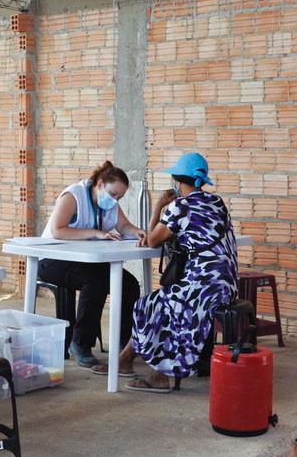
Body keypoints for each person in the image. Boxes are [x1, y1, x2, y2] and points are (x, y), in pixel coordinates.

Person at [97, 152, 238, 392]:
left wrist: (158, 207)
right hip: (227, 285)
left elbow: (151, 240)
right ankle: (125, 360)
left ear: (178, 182)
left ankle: (158, 375)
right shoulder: (217, 203)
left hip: (202, 287)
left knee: (149, 305)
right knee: (161, 300)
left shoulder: (180, 207)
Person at [39, 160, 144, 368]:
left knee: (129, 284)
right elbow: (58, 230)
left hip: (84, 261)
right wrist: (96, 233)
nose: (115, 200)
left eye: (120, 197)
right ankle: (80, 344)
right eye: (114, 195)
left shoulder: (110, 204)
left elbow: (123, 225)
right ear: (100, 184)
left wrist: (138, 232)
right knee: (96, 281)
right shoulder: (74, 195)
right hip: (52, 259)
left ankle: (124, 344)